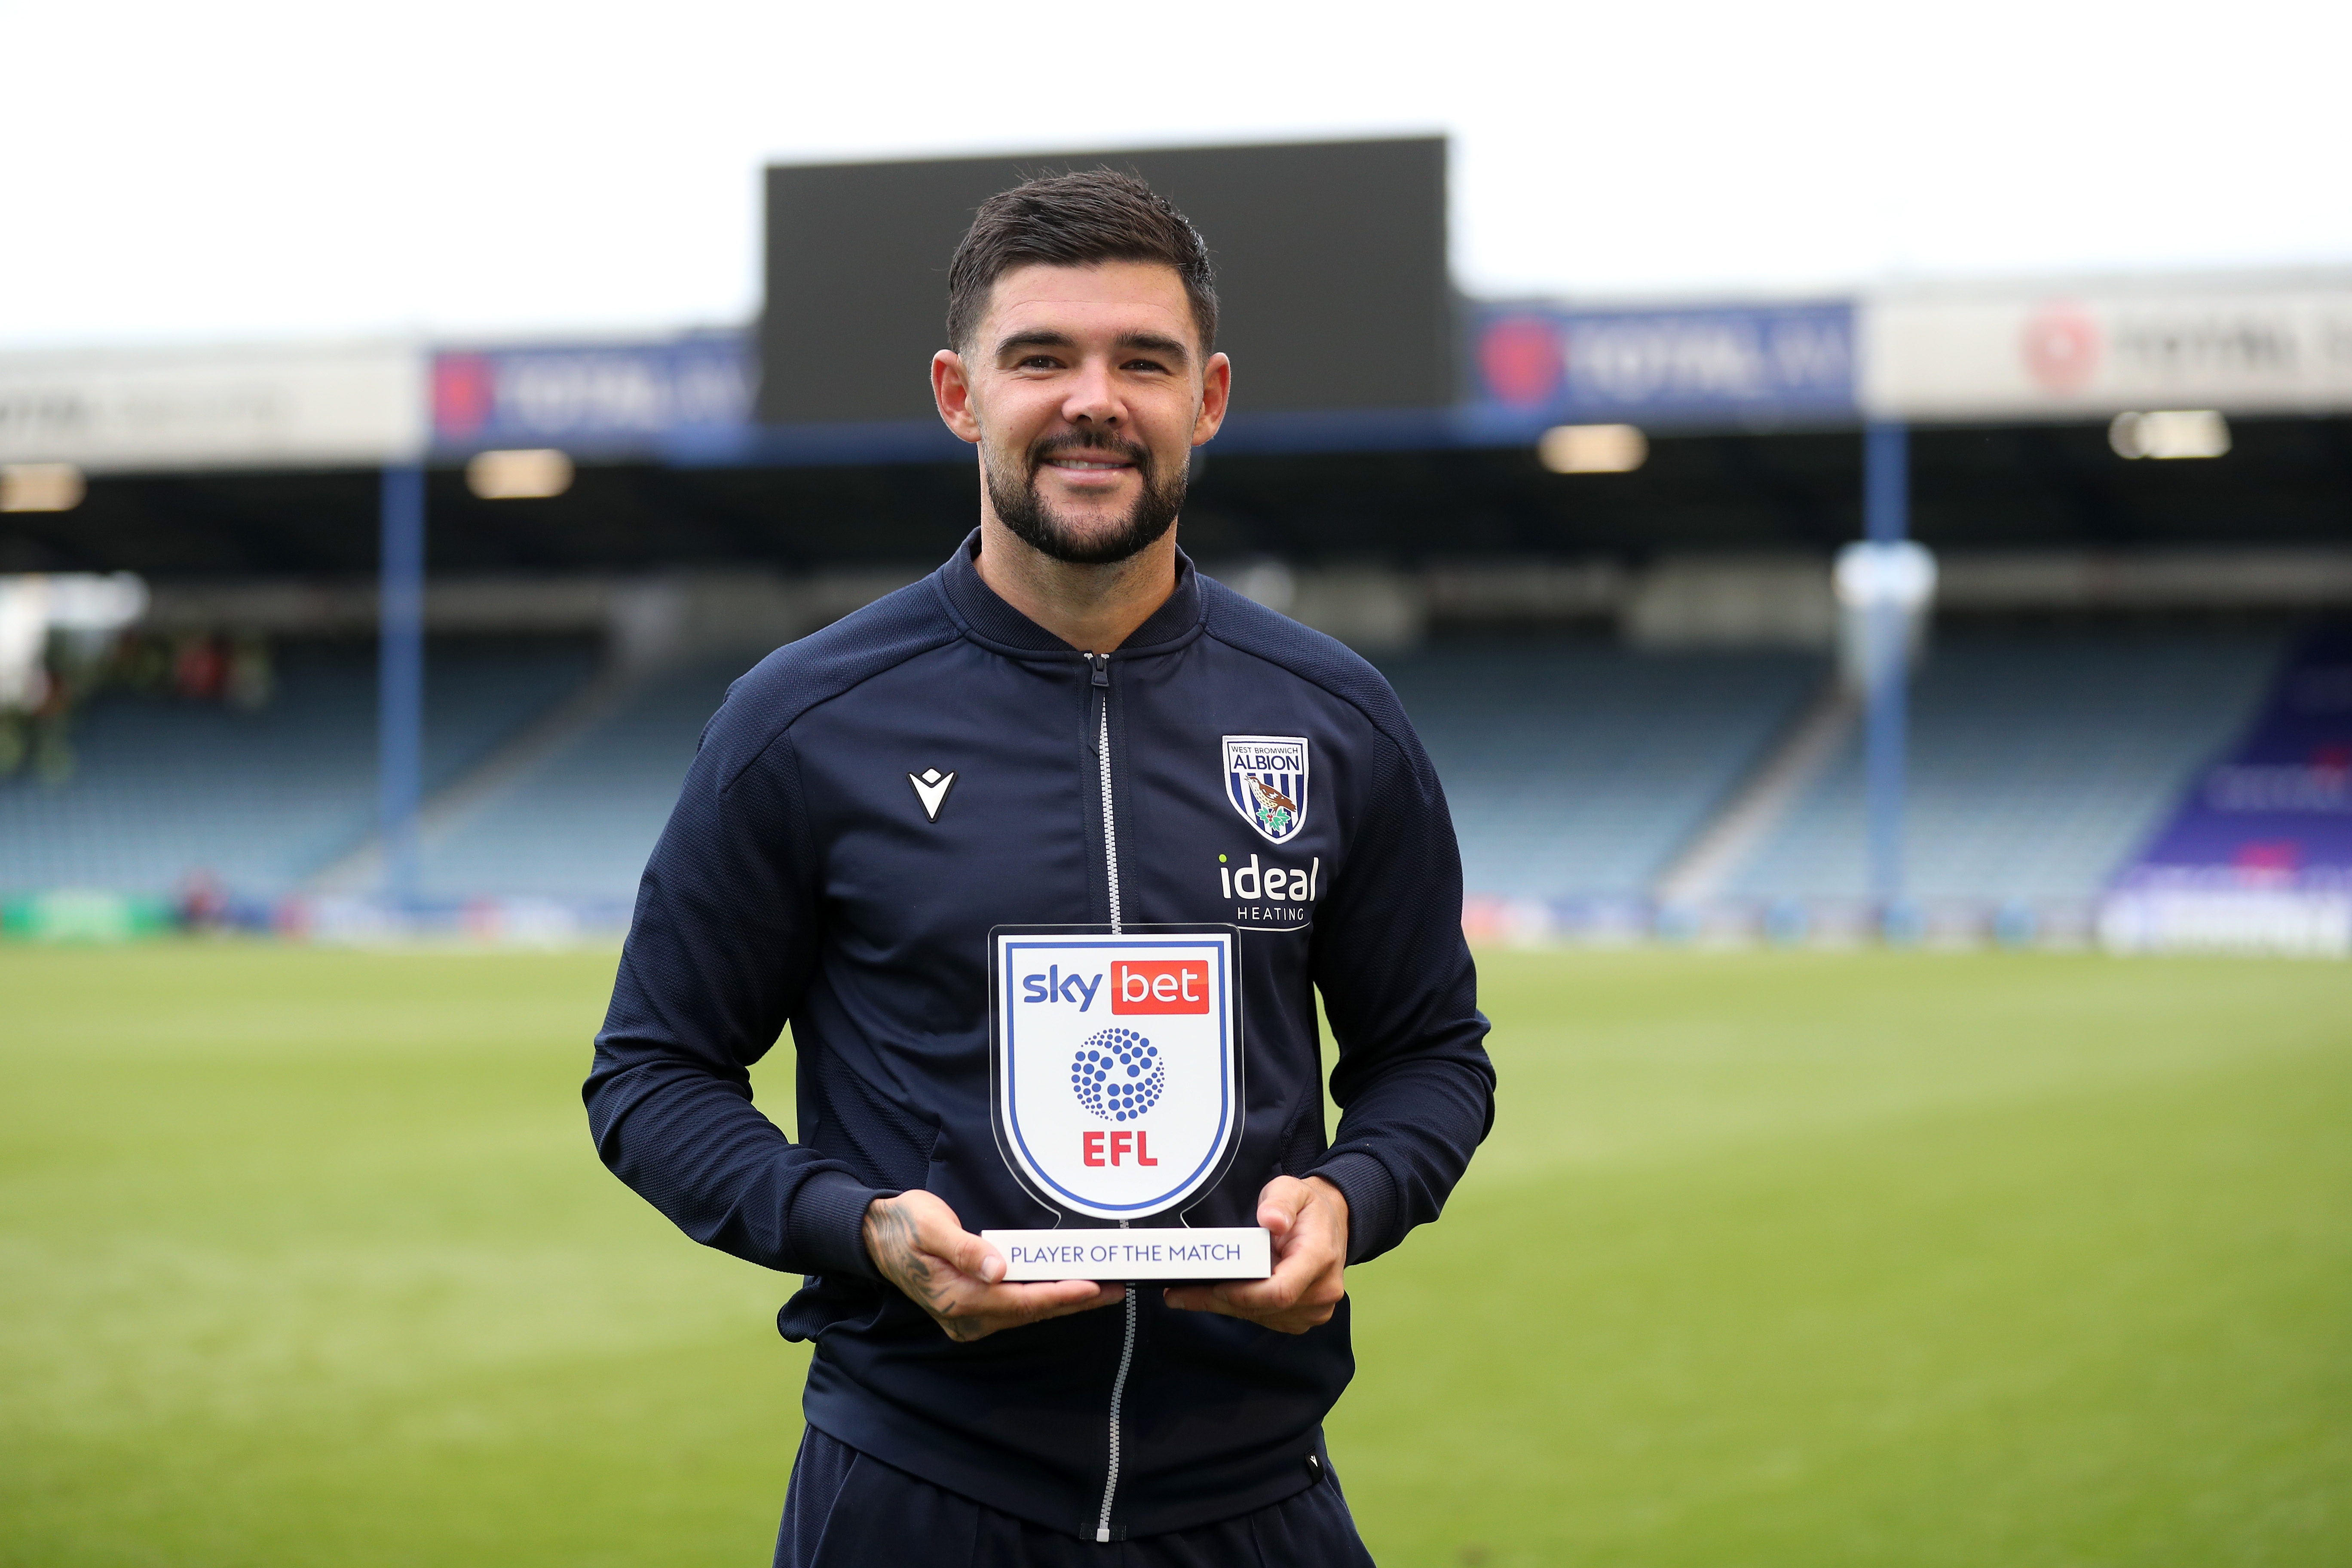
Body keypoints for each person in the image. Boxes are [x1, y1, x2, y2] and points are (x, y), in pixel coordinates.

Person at [586, 169, 1494, 1565]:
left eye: (1145, 360)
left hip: (1255, 1500)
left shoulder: (1335, 719)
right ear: (960, 394)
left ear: (1211, 398)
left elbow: (1433, 1053)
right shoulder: (804, 721)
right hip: (915, 1493)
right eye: (1041, 359)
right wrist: (860, 1225)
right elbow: (650, 1074)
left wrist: (1355, 1194)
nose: (1094, 401)